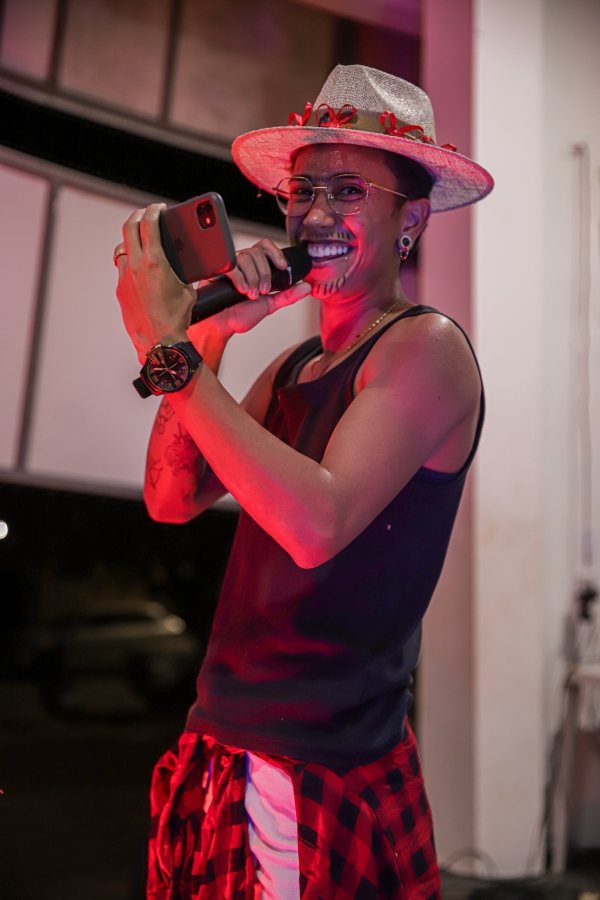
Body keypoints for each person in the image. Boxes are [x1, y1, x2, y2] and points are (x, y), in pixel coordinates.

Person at [115, 65, 493, 900]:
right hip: (230, 742)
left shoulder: (423, 347)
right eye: (302, 191)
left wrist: (166, 353)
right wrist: (208, 337)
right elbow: (171, 499)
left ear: (411, 219)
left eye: (349, 191)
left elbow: (316, 524)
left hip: (313, 765)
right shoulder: (293, 366)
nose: (316, 215)